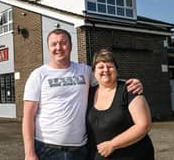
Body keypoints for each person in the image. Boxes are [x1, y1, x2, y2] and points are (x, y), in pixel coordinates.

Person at [22, 29, 143, 160]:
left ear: (71, 46)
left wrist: (132, 83)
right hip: (48, 149)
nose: (58, 48)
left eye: (63, 43)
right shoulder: (38, 75)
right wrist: (29, 153)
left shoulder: (84, 71)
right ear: (48, 48)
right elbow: (28, 116)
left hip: (80, 150)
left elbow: (107, 79)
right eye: (54, 44)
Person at [86, 49, 154, 160]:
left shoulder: (129, 90)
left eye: (110, 66)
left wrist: (113, 144)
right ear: (94, 72)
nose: (106, 70)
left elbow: (144, 125)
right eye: (100, 67)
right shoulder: (88, 93)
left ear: (116, 69)